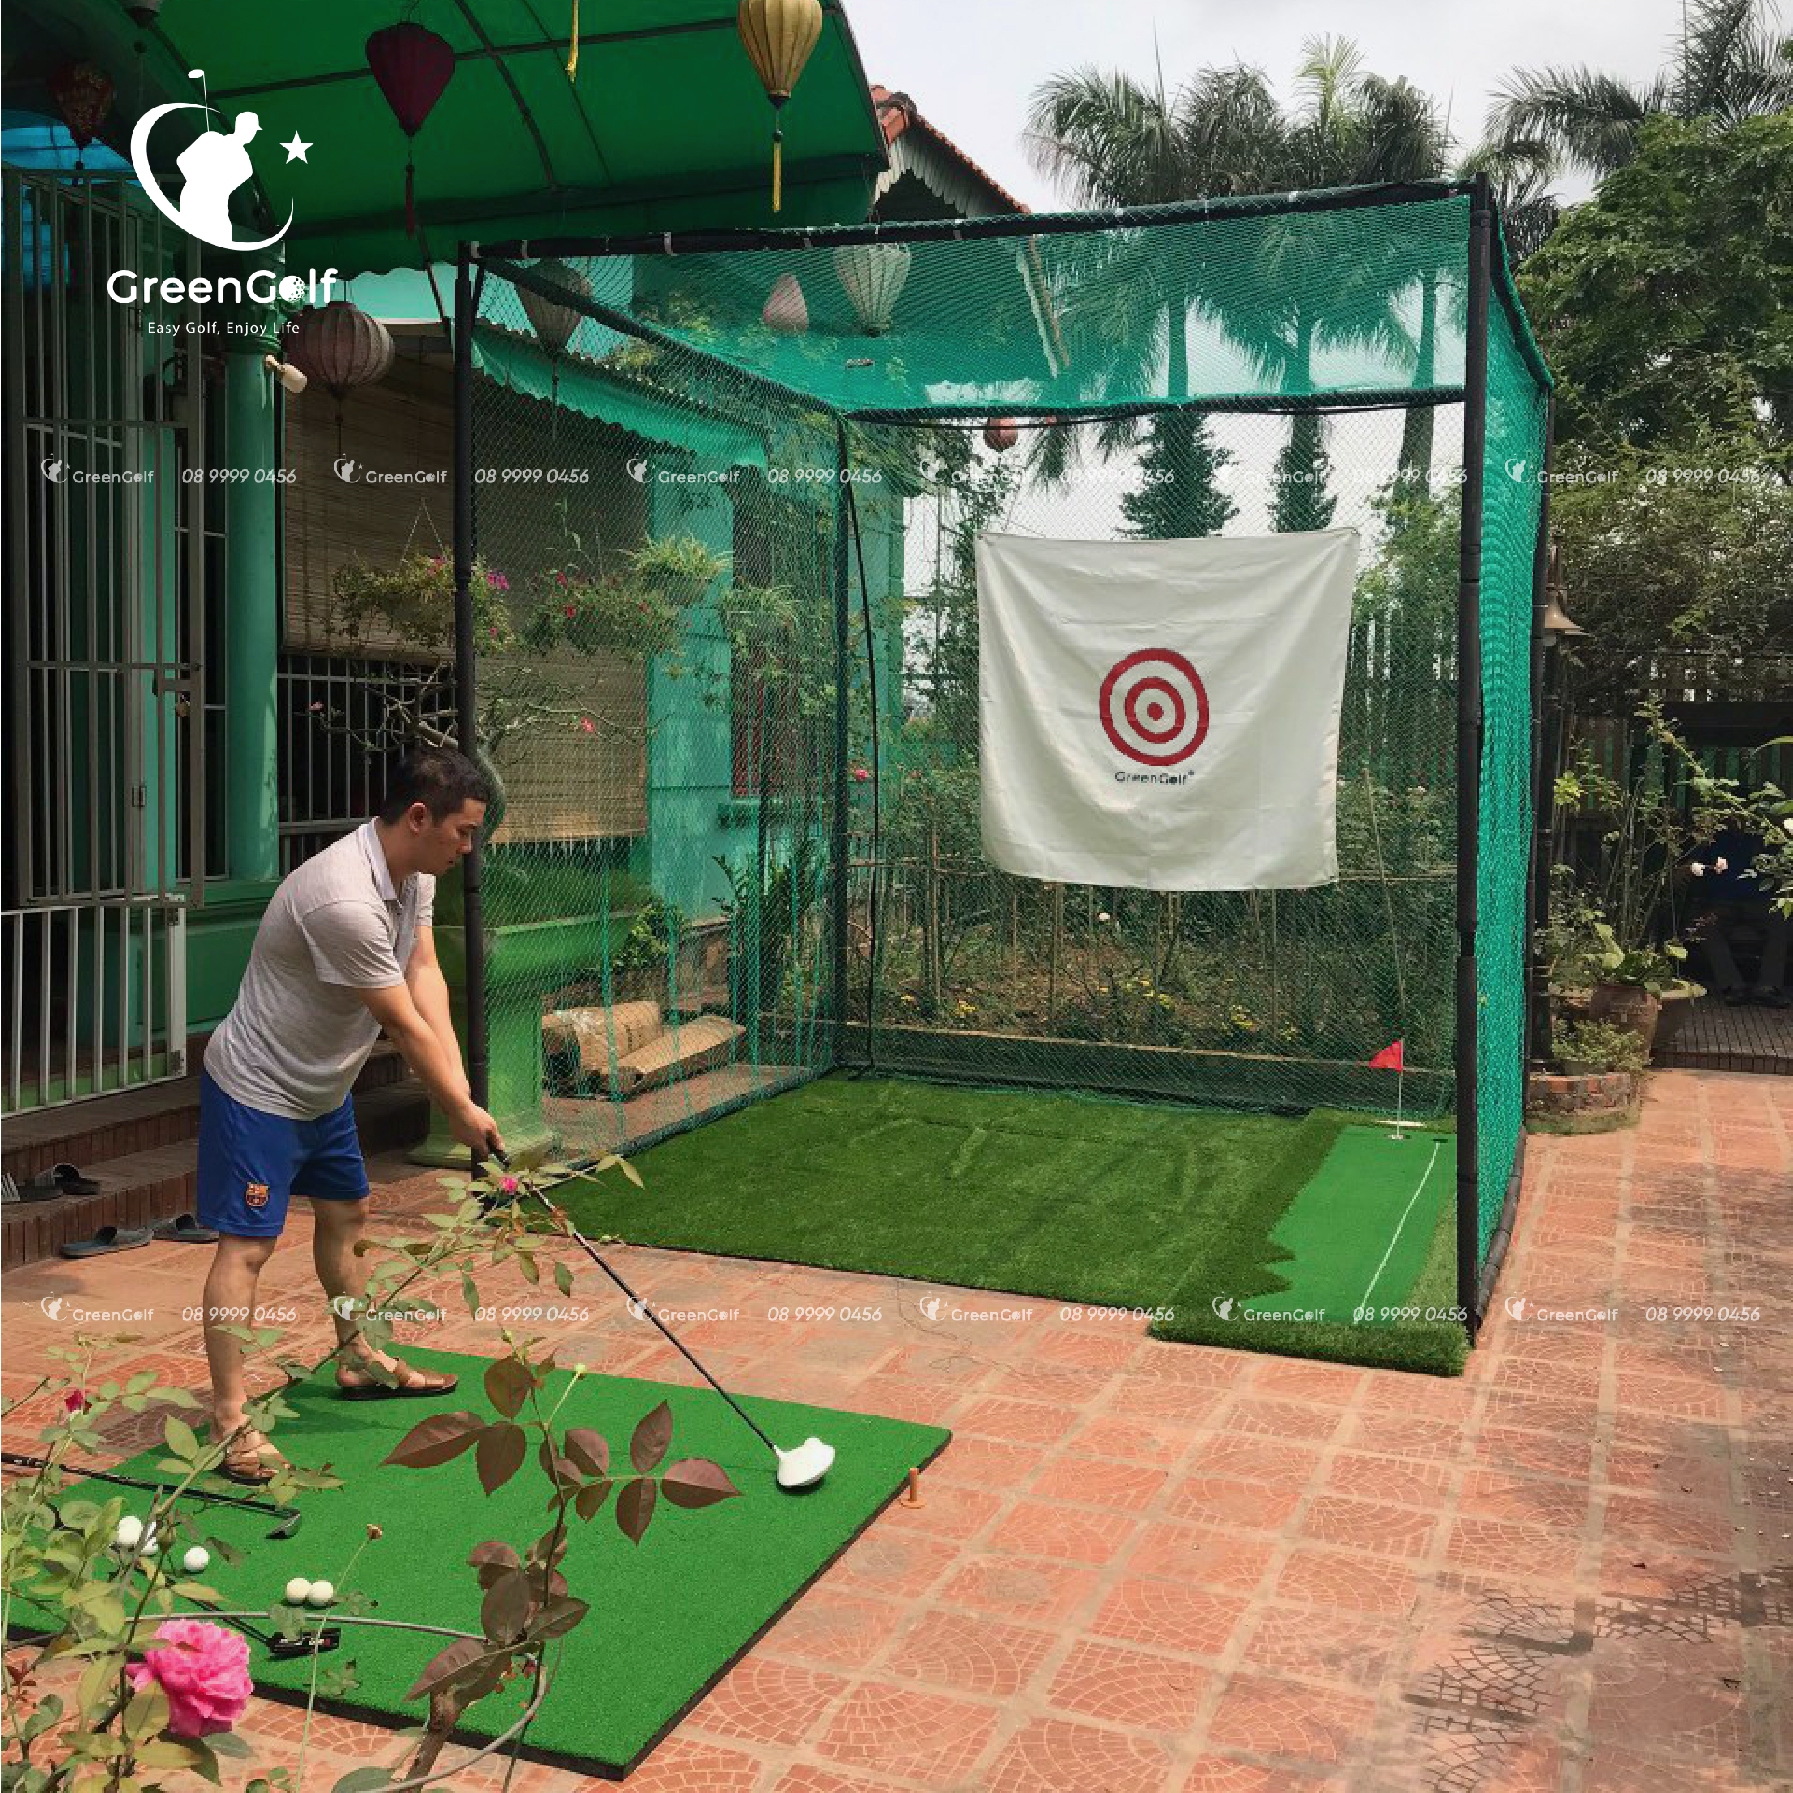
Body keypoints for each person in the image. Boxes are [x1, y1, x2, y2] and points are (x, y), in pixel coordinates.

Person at [197, 748, 504, 1484]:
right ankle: (229, 1417)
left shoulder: (413, 876)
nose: (468, 848)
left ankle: (357, 1355)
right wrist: (456, 1107)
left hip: (324, 1086)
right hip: (258, 1088)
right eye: (464, 831)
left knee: (348, 1215)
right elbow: (399, 1023)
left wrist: (461, 1092)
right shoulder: (342, 898)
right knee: (248, 1247)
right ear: (420, 817)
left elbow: (423, 973)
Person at [1691, 826, 1790, 1008]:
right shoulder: (1713, 837)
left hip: (1759, 901)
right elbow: (1696, 866)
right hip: (1722, 902)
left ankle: (1768, 986)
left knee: (1780, 922)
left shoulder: (1764, 836)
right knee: (1704, 927)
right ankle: (1732, 984)